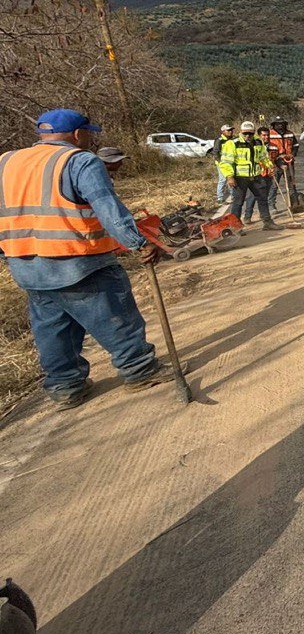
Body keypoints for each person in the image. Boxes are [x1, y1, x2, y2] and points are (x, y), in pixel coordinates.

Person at [0, 109, 174, 409]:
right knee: (115, 314)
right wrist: (137, 242)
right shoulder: (79, 161)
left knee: (53, 327)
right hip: (77, 261)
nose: (91, 139)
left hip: (26, 264)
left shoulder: (6, 161)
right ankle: (140, 370)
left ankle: (66, 386)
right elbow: (107, 207)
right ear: (78, 134)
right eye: (89, 133)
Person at [221, 122, 283, 233]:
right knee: (238, 202)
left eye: (250, 133)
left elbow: (263, 157)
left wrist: (270, 167)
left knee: (262, 199)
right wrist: (229, 176)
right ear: (240, 132)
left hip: (256, 176)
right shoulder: (232, 144)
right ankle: (235, 227)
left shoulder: (258, 142)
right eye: (245, 133)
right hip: (240, 177)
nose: (248, 136)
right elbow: (226, 162)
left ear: (254, 133)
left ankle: (267, 222)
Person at [265, 117, 299, 213]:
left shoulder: (290, 133)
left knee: (291, 184)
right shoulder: (270, 134)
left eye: (282, 124)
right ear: (274, 125)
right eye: (278, 124)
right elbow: (266, 149)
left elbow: (296, 145)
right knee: (274, 185)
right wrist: (276, 162)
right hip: (275, 162)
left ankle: (294, 204)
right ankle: (271, 206)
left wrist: (293, 154)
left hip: (289, 161)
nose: (280, 125)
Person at [213, 124, 234, 202]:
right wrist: (220, 162)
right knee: (222, 180)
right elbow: (215, 152)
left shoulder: (232, 139)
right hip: (221, 164)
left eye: (231, 130)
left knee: (231, 178)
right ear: (223, 131)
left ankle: (233, 196)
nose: (230, 132)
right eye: (228, 130)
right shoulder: (219, 140)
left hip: (230, 163)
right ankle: (220, 198)